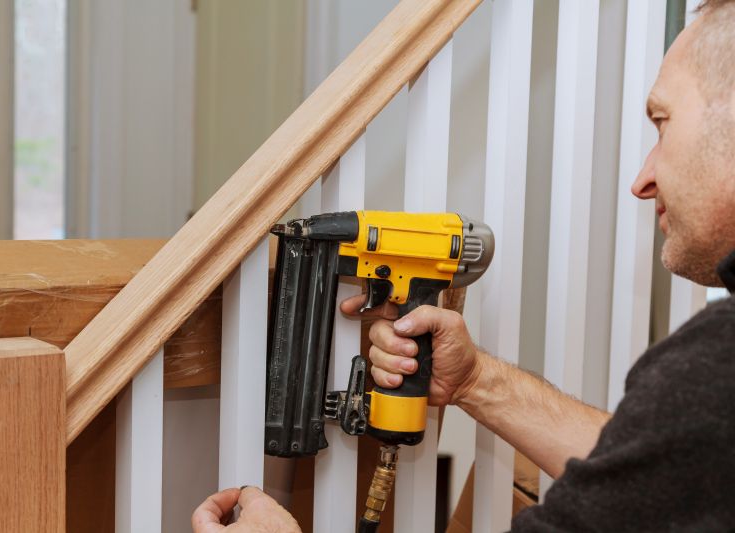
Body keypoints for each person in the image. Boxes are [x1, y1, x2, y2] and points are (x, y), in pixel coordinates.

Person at [193, 0, 735, 530]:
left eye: (662, 123)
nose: (642, 179)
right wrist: (474, 378)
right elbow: (653, 470)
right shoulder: (707, 403)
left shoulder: (716, 365)